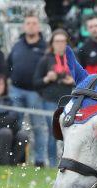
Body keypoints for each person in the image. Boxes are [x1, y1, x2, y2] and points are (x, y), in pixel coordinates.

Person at [8, 13, 49, 167]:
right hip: (16, 90)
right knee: (15, 126)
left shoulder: (45, 47)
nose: (31, 26)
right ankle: (17, 159)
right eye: (28, 23)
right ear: (24, 26)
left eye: (34, 23)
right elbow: (9, 64)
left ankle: (39, 160)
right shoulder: (17, 45)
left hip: (35, 93)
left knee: (38, 127)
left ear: (38, 26)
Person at [35, 29, 77, 167]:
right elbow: (35, 82)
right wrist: (47, 78)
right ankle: (52, 164)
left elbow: (83, 78)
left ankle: (68, 163)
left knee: (69, 132)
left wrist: (73, 80)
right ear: (52, 43)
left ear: (67, 43)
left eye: (62, 41)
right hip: (50, 100)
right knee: (53, 132)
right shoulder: (45, 59)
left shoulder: (73, 59)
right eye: (57, 41)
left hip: (69, 100)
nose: (60, 44)